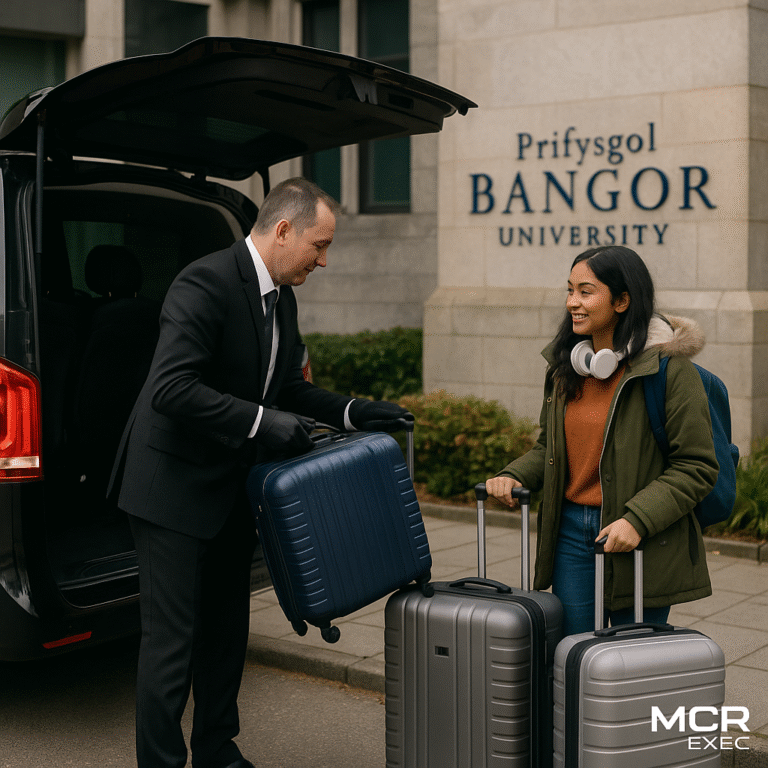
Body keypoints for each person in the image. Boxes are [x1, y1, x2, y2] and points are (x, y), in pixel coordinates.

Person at [108, 177, 411, 768]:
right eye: (320, 245)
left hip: (230, 490)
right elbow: (172, 388)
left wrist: (356, 411)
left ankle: (217, 751)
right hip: (170, 491)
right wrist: (262, 422)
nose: (324, 260)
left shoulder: (282, 296)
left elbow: (288, 387)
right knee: (172, 645)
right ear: (284, 230)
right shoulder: (204, 282)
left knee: (226, 635)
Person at [485, 245, 719, 636]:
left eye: (586, 291)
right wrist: (513, 475)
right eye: (569, 290)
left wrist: (637, 519)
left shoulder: (670, 372)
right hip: (571, 533)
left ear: (622, 301)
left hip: (642, 537)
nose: (572, 302)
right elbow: (550, 448)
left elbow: (696, 466)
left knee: (630, 659)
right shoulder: (565, 369)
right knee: (573, 652)